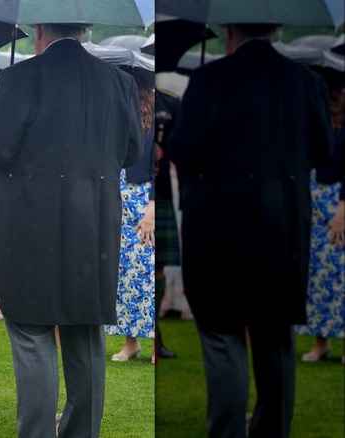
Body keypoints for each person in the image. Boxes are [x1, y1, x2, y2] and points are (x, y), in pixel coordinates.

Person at [167, 24, 333, 437]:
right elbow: (323, 153)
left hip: (218, 229)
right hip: (284, 230)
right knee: (275, 340)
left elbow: (184, 148)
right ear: (276, 29)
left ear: (227, 29)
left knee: (222, 336)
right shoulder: (307, 81)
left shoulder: (209, 78)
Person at [0, 23, 142, 437]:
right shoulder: (119, 81)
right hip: (94, 225)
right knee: (84, 332)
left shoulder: (19, 76)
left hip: (29, 226)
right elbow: (133, 151)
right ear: (85, 27)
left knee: (32, 331)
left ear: (37, 27)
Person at [106, 71, 156, 362]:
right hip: (120, 200)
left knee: (147, 271)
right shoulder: (120, 119)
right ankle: (131, 342)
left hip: (144, 201)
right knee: (124, 272)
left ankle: (156, 343)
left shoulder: (155, 124)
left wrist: (152, 208)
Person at [296, 67, 344, 364]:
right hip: (313, 201)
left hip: (338, 201)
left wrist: (342, 208)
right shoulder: (313, 120)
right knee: (315, 274)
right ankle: (321, 341)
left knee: (340, 274)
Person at [153, 86, 181, 360]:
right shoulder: (129, 91)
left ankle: (156, 335)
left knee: (158, 268)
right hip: (130, 188)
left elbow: (182, 148)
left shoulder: (171, 102)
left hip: (159, 192)